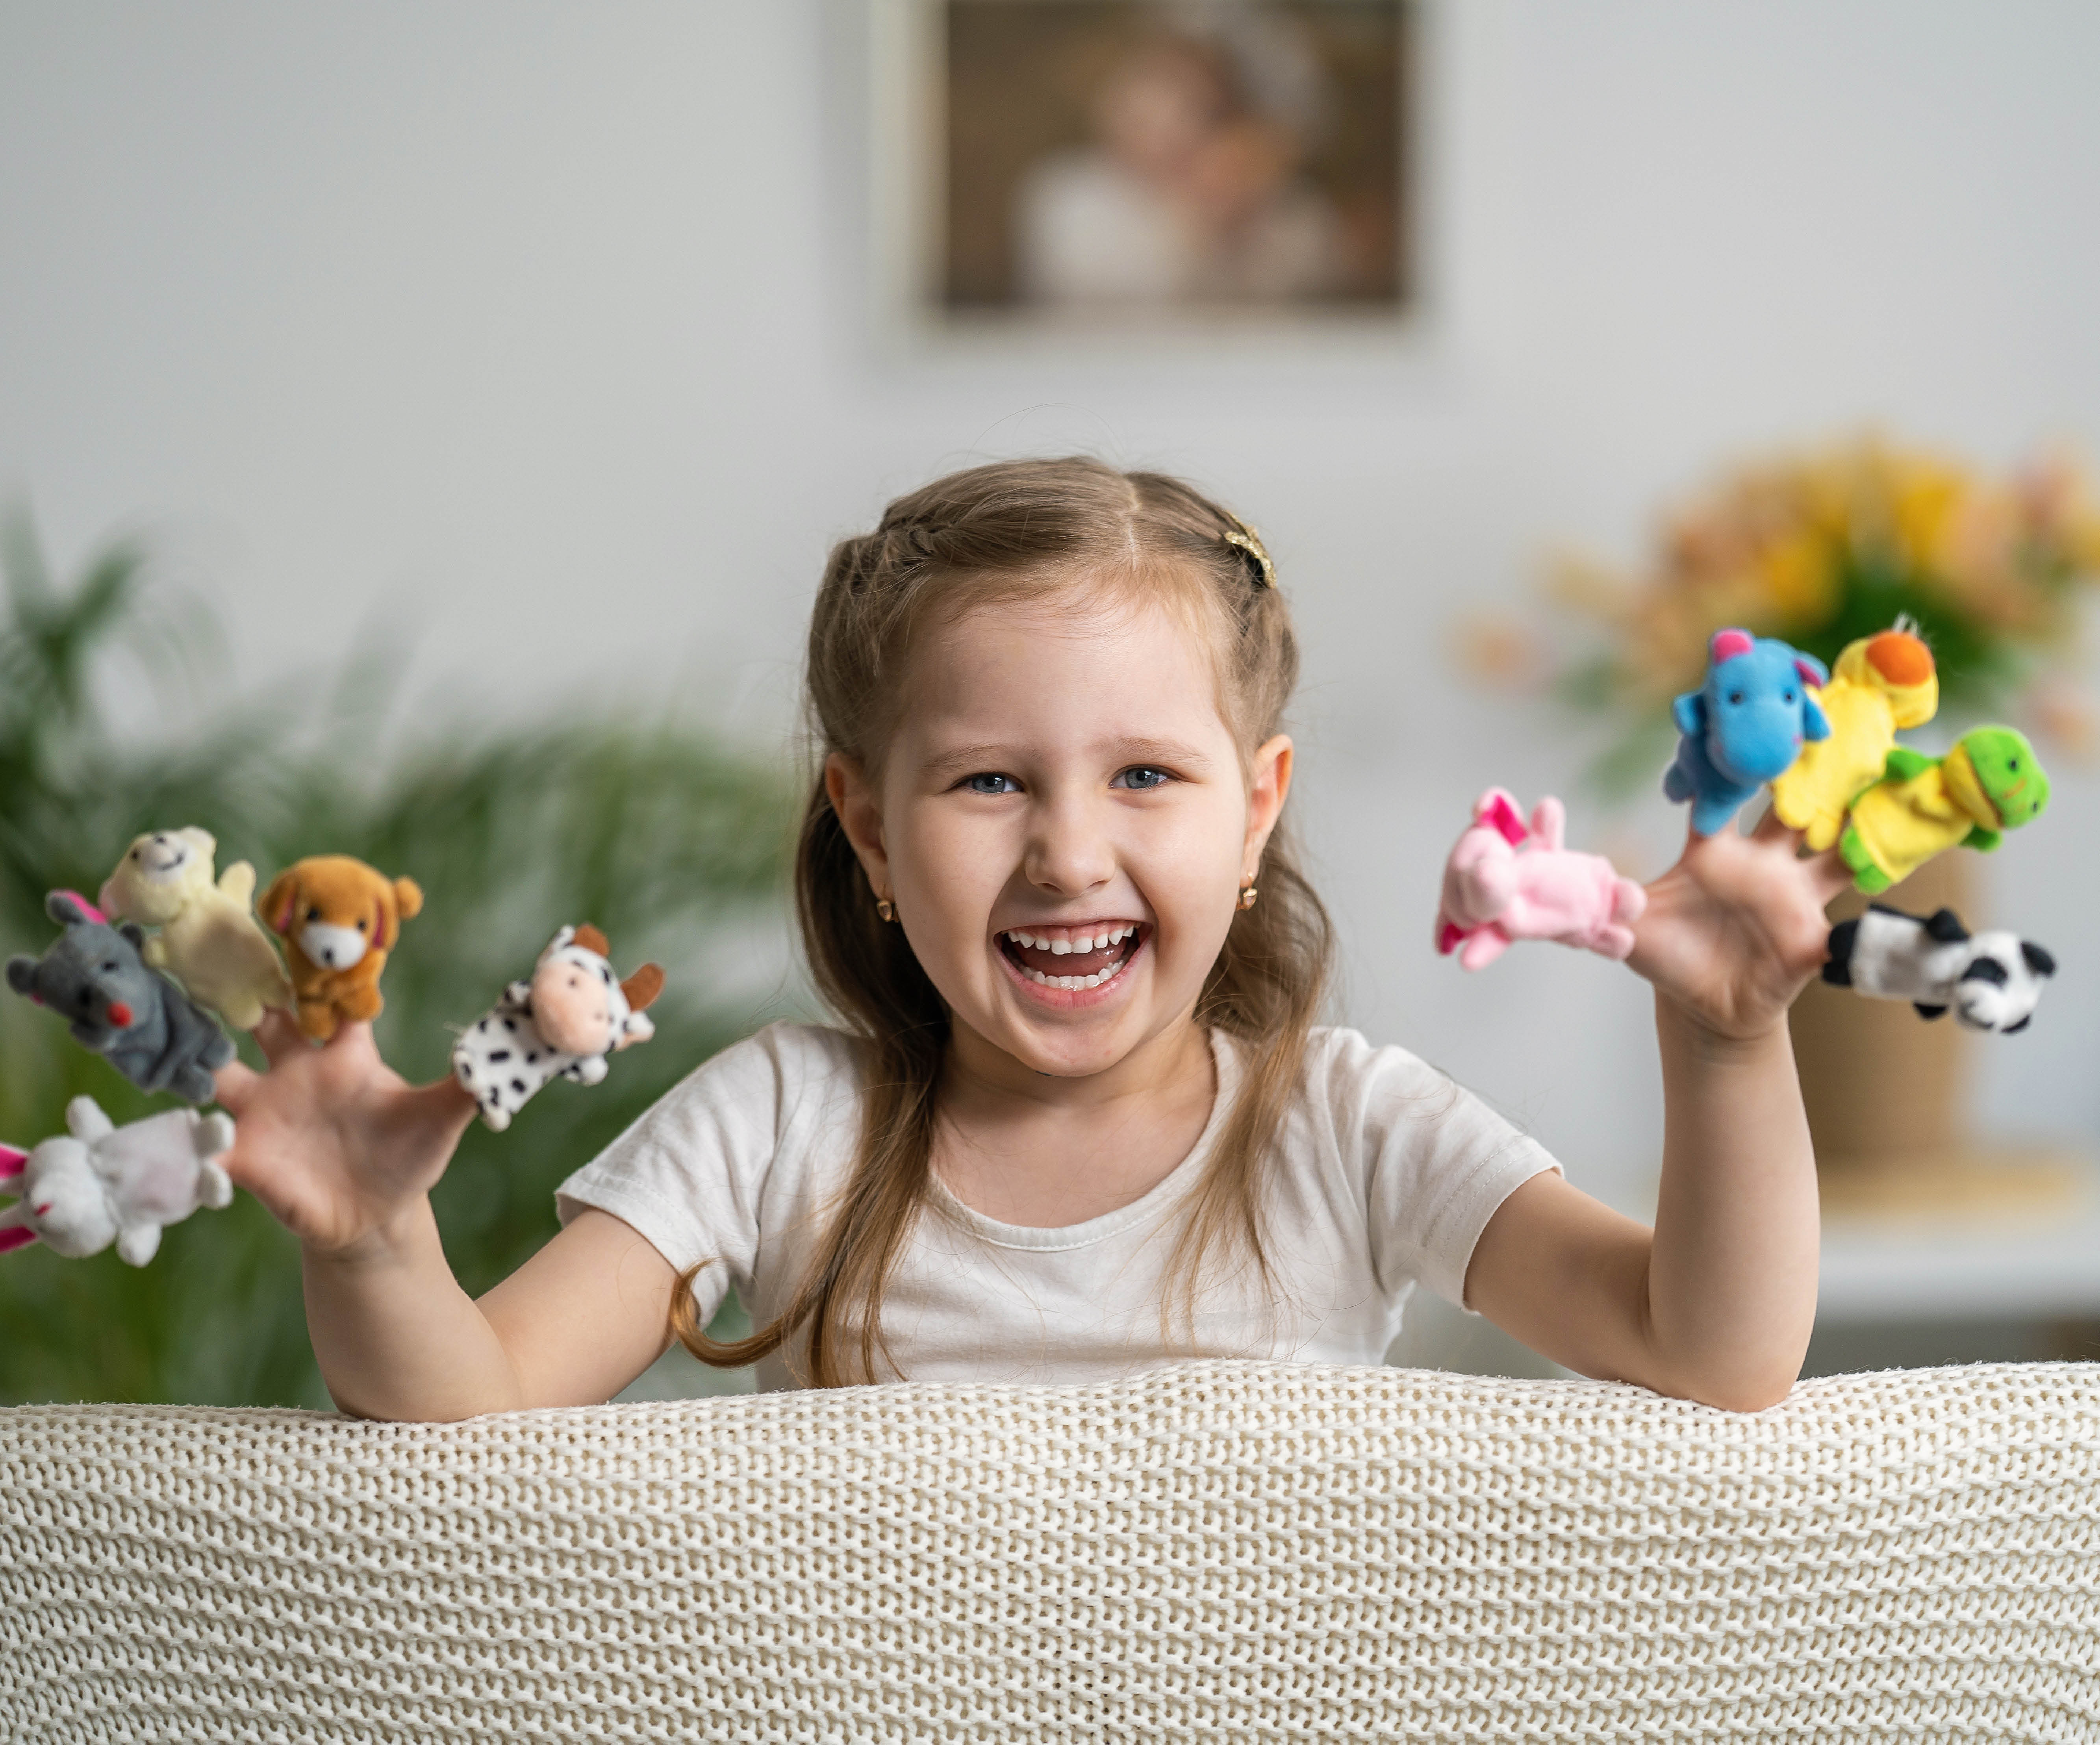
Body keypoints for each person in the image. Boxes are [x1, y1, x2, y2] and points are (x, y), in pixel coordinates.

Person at [214, 457, 1845, 1420]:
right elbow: (466, 1415)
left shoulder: (1346, 1124)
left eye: (1146, 774)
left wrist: (1725, 1042)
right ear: (864, 821)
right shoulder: (781, 1122)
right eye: (988, 780)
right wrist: (370, 1245)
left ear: (1257, 804)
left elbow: (1704, 1354)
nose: (1070, 852)